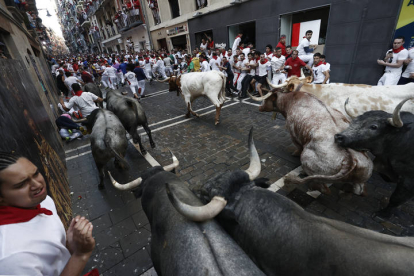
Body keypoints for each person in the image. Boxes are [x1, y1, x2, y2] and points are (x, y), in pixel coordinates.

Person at [0, 152, 95, 275]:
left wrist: (69, 245)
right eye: (21, 184)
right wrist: (81, 254)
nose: (38, 184)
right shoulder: (12, 258)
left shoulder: (42, 200)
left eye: (36, 173)